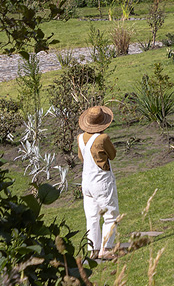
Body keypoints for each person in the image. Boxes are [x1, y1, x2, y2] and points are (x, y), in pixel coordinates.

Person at [77, 105, 119, 260]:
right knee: (111, 213)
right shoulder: (103, 138)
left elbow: (82, 157)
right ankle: (106, 249)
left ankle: (93, 250)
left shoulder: (80, 138)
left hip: (86, 181)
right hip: (101, 181)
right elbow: (113, 155)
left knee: (92, 216)